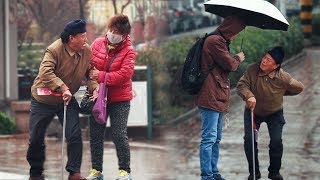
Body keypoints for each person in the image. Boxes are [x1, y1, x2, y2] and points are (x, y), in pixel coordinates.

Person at [27, 19, 91, 180]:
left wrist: (94, 85)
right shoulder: (54, 50)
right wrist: (63, 88)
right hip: (44, 99)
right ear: (71, 38)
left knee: (74, 134)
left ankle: (74, 172)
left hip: (66, 101)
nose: (86, 39)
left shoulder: (86, 50)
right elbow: (45, 73)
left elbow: (91, 70)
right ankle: (36, 173)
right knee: (36, 137)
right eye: (82, 36)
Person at [236, 46, 304, 180]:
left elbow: (299, 87)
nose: (264, 61)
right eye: (264, 57)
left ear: (276, 65)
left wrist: (281, 93)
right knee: (249, 140)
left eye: (269, 60)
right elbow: (241, 85)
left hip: (275, 113)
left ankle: (274, 172)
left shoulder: (283, 77)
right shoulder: (252, 69)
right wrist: (248, 95)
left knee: (276, 141)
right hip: (253, 112)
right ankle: (254, 172)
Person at [195, 15, 246, 180]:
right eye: (236, 31)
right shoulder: (215, 41)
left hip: (217, 93)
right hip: (210, 94)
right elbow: (230, 64)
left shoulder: (221, 41)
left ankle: (214, 172)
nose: (236, 35)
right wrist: (238, 58)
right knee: (209, 138)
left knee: (216, 138)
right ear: (230, 28)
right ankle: (206, 175)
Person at [86, 14, 135, 180]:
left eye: (117, 32)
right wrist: (92, 81)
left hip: (120, 100)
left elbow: (124, 75)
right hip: (98, 97)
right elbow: (88, 66)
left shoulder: (129, 51)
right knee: (95, 134)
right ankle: (96, 170)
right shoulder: (97, 44)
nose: (112, 33)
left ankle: (124, 171)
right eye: (111, 30)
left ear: (124, 35)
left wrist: (100, 76)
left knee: (119, 134)